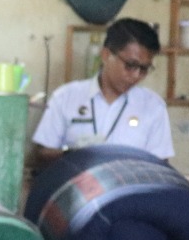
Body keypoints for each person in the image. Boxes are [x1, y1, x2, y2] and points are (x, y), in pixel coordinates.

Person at [32, 17, 173, 165]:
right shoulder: (66, 97)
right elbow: (42, 155)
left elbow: (160, 165)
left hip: (128, 181)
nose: (136, 75)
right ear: (106, 55)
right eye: (131, 65)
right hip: (75, 179)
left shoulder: (153, 106)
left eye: (144, 69)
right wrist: (75, 154)